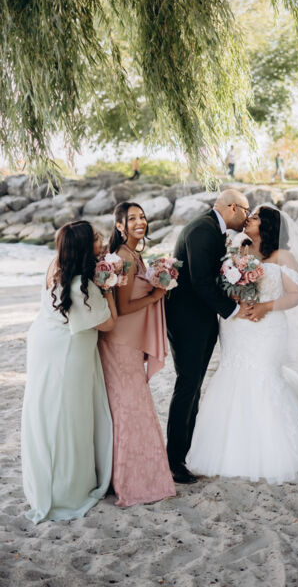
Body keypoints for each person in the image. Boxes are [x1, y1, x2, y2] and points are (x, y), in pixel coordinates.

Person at [186, 206, 298, 483]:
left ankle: (278, 451)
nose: (248, 218)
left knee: (263, 377)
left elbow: (297, 295)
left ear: (268, 226)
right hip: (236, 327)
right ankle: (233, 451)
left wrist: (264, 306)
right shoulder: (237, 250)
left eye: (255, 217)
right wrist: (235, 301)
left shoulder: (282, 256)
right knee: (233, 377)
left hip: (267, 326)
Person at [21, 221, 117, 524]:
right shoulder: (81, 285)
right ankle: (66, 490)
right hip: (67, 352)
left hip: (42, 342)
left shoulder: (55, 265)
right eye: (97, 238)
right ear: (84, 247)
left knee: (45, 412)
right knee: (69, 417)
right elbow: (109, 323)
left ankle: (46, 482)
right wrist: (108, 287)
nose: (102, 240)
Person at [165, 189, 253, 484]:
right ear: (233, 208)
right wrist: (233, 309)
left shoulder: (211, 227)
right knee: (187, 386)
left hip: (199, 319)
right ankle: (174, 461)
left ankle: (184, 454)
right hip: (188, 321)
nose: (248, 217)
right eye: (246, 210)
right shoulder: (203, 229)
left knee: (193, 387)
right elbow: (201, 281)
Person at [98, 202, 176, 506]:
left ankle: (133, 475)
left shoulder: (133, 254)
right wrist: (156, 295)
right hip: (120, 345)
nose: (140, 222)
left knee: (132, 408)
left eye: (142, 217)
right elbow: (123, 307)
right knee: (129, 409)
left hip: (127, 343)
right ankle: (130, 481)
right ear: (119, 225)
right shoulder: (124, 258)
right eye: (132, 219)